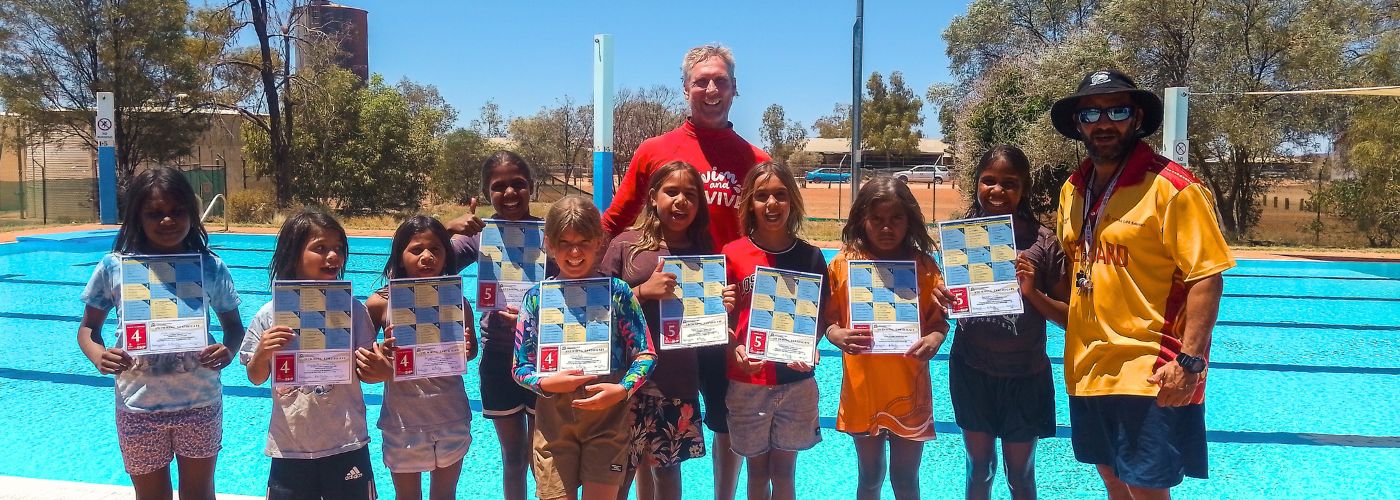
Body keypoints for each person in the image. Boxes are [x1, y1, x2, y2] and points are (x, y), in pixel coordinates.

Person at [1049, 70, 1233, 498]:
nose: (1103, 122)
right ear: (1078, 124)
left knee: (1146, 487)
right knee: (1112, 478)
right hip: (1087, 367)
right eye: (1091, 113)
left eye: (1117, 110)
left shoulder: (1173, 188)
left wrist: (1189, 362)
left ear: (1135, 119)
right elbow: (1074, 271)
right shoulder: (1072, 190)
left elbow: (1206, 276)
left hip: (1149, 367)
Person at [601, 47, 769, 495]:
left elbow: (771, 237)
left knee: (726, 416)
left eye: (720, 81)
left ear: (735, 88)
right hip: (660, 313)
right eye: (701, 81)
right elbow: (613, 223)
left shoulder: (757, 160)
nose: (710, 90)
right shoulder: (655, 151)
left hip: (726, 311)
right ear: (686, 88)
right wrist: (565, 274)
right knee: (646, 415)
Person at [77, 167, 244, 500]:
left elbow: (234, 328)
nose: (167, 221)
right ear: (138, 217)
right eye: (155, 214)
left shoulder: (209, 267)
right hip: (138, 407)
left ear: (191, 214)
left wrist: (227, 350)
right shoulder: (114, 267)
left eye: (176, 212)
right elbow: (87, 330)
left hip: (199, 403)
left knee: (199, 494)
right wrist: (99, 355)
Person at [599, 161, 738, 500]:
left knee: (669, 473)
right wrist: (643, 291)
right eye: (671, 192)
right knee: (616, 475)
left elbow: (710, 326)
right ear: (653, 197)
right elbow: (596, 311)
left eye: (690, 194)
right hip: (626, 382)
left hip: (677, 381)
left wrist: (723, 308)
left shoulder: (705, 254)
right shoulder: (625, 246)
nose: (680, 201)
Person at [239, 209, 394, 499]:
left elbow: (370, 374)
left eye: (338, 248)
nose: (333, 256)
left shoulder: (353, 310)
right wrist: (262, 353)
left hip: (347, 441)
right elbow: (255, 376)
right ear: (293, 255)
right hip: (290, 446)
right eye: (321, 248)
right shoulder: (269, 314)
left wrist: (382, 363)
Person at [513, 196, 657, 500]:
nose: (575, 252)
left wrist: (622, 390)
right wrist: (546, 382)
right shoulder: (536, 298)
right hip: (554, 424)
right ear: (550, 244)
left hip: (607, 420)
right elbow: (520, 366)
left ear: (599, 243)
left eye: (583, 242)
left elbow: (645, 354)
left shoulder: (617, 293)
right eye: (565, 243)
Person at [948, 146, 1068, 500]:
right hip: (972, 370)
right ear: (977, 184)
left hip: (1025, 374)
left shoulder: (1043, 242)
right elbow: (944, 305)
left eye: (1009, 183)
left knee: (1020, 474)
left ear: (1024, 189)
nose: (997, 191)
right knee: (980, 469)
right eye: (989, 181)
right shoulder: (958, 238)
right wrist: (941, 298)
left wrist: (1032, 292)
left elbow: (1071, 318)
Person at [823, 176, 948, 500]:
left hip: (909, 390)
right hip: (863, 388)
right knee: (869, 478)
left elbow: (938, 324)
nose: (886, 228)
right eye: (876, 219)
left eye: (896, 219)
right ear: (861, 219)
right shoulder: (842, 265)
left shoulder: (923, 267)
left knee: (906, 480)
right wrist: (836, 334)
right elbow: (829, 320)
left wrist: (935, 338)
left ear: (909, 220)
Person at [446, 150, 552, 500]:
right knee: (513, 457)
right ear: (486, 193)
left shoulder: (548, 235)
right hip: (499, 358)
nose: (509, 193)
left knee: (544, 455)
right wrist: (448, 227)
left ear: (531, 187)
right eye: (499, 186)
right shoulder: (479, 236)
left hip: (543, 357)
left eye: (518, 184)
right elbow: (424, 263)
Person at [721, 162, 827, 500]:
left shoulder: (811, 257)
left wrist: (812, 345)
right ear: (750, 203)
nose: (771, 204)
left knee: (783, 474)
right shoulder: (732, 254)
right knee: (756, 474)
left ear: (792, 201)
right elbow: (720, 320)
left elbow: (822, 316)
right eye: (762, 196)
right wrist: (734, 347)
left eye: (780, 195)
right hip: (748, 382)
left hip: (795, 382)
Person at [366, 215, 479, 500]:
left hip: (451, 415)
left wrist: (467, 348)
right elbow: (363, 358)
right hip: (402, 421)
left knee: (445, 496)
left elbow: (472, 349)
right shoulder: (380, 303)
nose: (427, 257)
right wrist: (382, 355)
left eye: (436, 250)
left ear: (446, 257)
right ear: (400, 257)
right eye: (416, 250)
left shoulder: (458, 302)